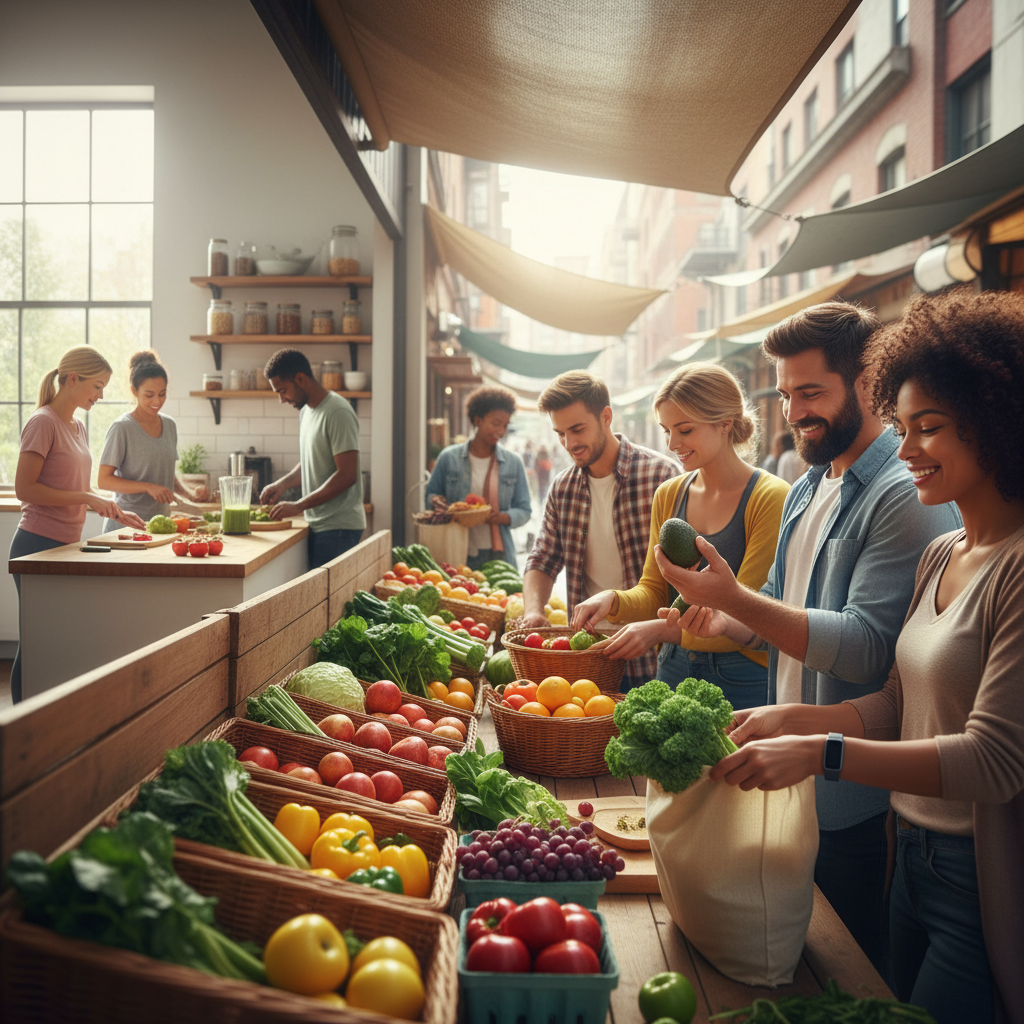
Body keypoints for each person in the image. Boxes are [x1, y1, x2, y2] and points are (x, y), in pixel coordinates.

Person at [706, 289, 1024, 1024]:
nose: (906, 449)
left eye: (930, 429)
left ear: (998, 425)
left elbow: (994, 762)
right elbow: (895, 699)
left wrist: (824, 751)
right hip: (906, 855)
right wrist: (792, 715)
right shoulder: (944, 552)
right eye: (904, 426)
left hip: (979, 875)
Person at [654, 302, 961, 975]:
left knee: (847, 972)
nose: (793, 411)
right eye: (787, 393)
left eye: (811, 392)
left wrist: (733, 599)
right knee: (788, 965)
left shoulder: (901, 493)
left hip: (851, 798)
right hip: (791, 775)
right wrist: (730, 614)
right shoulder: (806, 486)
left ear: (868, 386)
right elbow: (778, 612)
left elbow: (869, 648)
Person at [572, 363, 789, 710]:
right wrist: (611, 600)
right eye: (666, 430)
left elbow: (749, 615)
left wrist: (657, 630)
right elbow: (654, 590)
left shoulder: (770, 497)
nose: (672, 443)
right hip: (673, 667)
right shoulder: (669, 494)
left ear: (725, 423)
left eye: (684, 430)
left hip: (743, 675)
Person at [523, 371, 679, 689]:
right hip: (589, 660)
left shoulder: (661, 475)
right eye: (561, 434)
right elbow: (542, 559)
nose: (569, 444)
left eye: (577, 429)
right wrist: (534, 612)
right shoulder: (563, 488)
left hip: (655, 658)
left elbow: (684, 578)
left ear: (606, 416)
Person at [9, 346, 146, 703]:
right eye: (97, 386)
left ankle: (47, 728)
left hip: (64, 546)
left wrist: (113, 509)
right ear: (74, 379)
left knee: (57, 646)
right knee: (37, 644)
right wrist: (88, 499)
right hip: (35, 545)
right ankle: (19, 732)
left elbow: (76, 487)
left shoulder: (77, 427)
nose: (101, 395)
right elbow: (25, 489)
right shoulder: (43, 422)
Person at [260, 349, 365, 569]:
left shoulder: (337, 412)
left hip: (338, 528)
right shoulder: (306, 411)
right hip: (319, 524)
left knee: (330, 602)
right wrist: (283, 484)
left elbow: (347, 475)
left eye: (283, 391)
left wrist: (298, 506)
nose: (281, 399)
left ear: (300, 379)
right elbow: (313, 461)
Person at [425, 385, 531, 569]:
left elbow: (525, 510)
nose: (501, 431)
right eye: (496, 423)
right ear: (478, 420)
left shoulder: (513, 463)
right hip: (456, 548)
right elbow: (430, 495)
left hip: (498, 553)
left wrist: (502, 517)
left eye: (505, 425)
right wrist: (437, 501)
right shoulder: (448, 458)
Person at [97, 350, 198, 532]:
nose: (157, 401)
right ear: (134, 391)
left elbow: (165, 476)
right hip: (124, 526)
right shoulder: (122, 428)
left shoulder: (169, 425)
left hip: (160, 526)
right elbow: (104, 480)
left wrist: (192, 495)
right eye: (149, 395)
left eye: (162, 394)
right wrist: (147, 487)